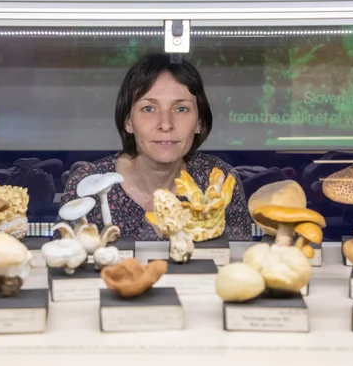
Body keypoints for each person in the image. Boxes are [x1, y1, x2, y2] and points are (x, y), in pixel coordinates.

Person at [60, 52, 253, 241]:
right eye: (149, 109)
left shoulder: (219, 182)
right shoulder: (88, 183)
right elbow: (62, 261)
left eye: (181, 109)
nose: (166, 124)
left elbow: (239, 264)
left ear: (199, 122)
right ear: (128, 121)